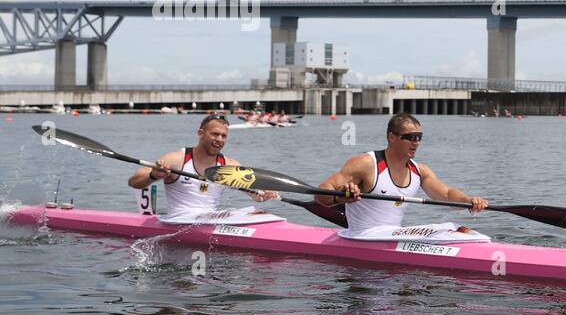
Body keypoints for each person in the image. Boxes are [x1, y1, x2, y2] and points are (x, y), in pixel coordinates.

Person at [315, 113, 488, 234]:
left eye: (419, 137)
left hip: (393, 234)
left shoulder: (420, 171)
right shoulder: (366, 164)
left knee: (459, 231)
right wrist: (340, 198)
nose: (416, 142)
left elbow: (446, 194)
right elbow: (321, 192)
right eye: (410, 137)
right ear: (392, 137)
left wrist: (468, 201)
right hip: (363, 236)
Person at [127, 113, 279, 217]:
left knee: (258, 213)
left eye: (223, 136)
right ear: (200, 133)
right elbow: (134, 181)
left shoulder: (229, 166)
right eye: (214, 134)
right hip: (179, 221)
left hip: (210, 219)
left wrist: (264, 193)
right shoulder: (178, 159)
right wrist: (154, 175)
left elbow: (255, 194)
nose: (219, 139)